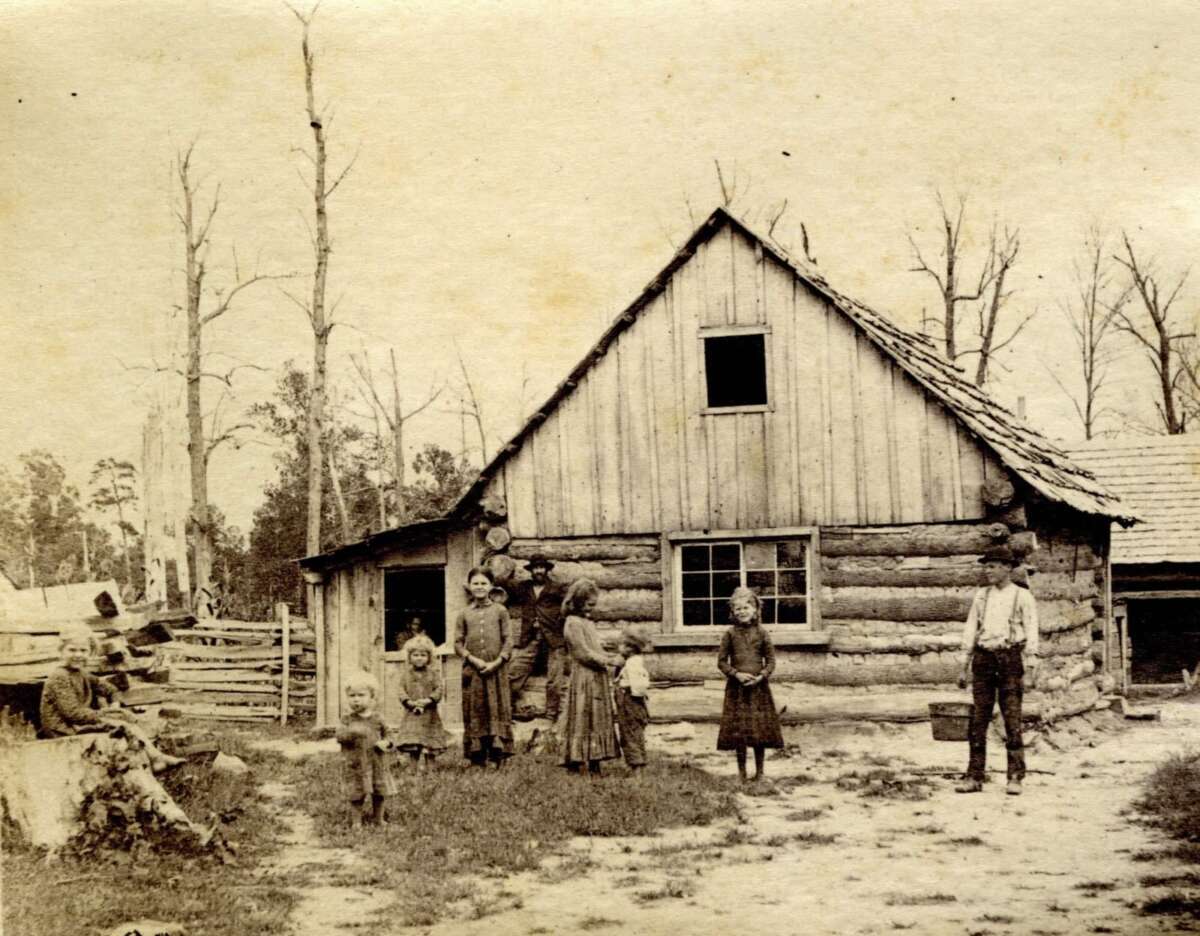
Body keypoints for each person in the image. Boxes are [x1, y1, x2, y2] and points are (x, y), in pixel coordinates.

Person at [39, 624, 184, 773]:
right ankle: (154, 759)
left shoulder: (82, 674)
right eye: (72, 650)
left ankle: (151, 761)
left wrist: (114, 704)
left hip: (77, 723)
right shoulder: (60, 676)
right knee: (123, 726)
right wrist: (104, 715)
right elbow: (71, 713)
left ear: (90, 652)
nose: (78, 655)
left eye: (83, 650)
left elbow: (110, 689)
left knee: (126, 721)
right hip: (62, 728)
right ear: (61, 651)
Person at [956, 545, 1040, 796]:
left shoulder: (1022, 596)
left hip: (1010, 660)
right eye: (985, 566)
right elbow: (971, 629)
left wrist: (1032, 666)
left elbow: (1032, 630)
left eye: (992, 566)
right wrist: (963, 665)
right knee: (978, 721)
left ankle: (1015, 776)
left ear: (1007, 568)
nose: (987, 571)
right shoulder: (982, 595)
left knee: (1012, 719)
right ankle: (974, 776)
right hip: (983, 660)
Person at [717, 587, 784, 783]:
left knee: (759, 730)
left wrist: (761, 676)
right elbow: (721, 662)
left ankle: (760, 772)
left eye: (746, 607)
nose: (742, 612)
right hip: (737, 689)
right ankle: (742, 773)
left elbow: (771, 661)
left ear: (755, 610)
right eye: (737, 609)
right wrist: (736, 674)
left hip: (758, 689)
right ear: (732, 612)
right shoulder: (729, 634)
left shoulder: (762, 634)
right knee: (740, 732)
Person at [560, 578, 623, 777]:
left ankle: (595, 761)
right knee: (582, 716)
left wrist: (607, 657)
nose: (591, 609)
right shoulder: (572, 622)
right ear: (577, 602)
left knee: (597, 717)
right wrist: (608, 661)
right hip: (584, 677)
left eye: (593, 605)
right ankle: (575, 761)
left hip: (597, 676)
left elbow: (595, 647)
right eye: (588, 605)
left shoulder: (587, 622)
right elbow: (582, 653)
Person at [454, 566, 515, 767]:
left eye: (483, 583)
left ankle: (499, 756)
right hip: (474, 672)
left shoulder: (500, 611)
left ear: (491, 586)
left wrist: (497, 662)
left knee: (497, 709)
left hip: (497, 671)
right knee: (476, 710)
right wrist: (473, 659)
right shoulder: (464, 613)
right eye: (475, 583)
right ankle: (477, 757)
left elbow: (508, 640)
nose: (479, 587)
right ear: (469, 587)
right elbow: (457, 643)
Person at [335, 670, 398, 829]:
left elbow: (390, 735)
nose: (356, 700)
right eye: (352, 696)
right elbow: (340, 736)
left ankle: (379, 818)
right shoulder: (347, 719)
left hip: (377, 761)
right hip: (355, 763)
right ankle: (357, 821)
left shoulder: (378, 718)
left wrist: (387, 743)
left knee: (380, 790)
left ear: (372, 697)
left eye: (361, 695)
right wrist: (351, 732)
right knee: (356, 792)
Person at [508, 555, 567, 720]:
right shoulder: (524, 588)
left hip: (554, 639)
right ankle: (508, 709)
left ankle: (551, 714)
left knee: (555, 679)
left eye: (542, 567)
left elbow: (571, 605)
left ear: (547, 569)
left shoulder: (557, 588)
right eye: (535, 568)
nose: (539, 571)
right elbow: (502, 582)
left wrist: (559, 622)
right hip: (531, 638)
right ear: (531, 571)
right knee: (514, 672)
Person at [395, 640, 449, 770]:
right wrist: (408, 702)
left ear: (429, 657)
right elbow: (400, 690)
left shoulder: (433, 673)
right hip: (412, 713)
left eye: (423, 655)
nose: (419, 658)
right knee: (414, 741)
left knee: (430, 741)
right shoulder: (406, 674)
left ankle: (430, 765)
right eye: (416, 655)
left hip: (429, 713)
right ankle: (413, 765)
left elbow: (439, 689)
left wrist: (429, 700)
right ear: (409, 657)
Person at [614, 624, 653, 775]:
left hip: (630, 701)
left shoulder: (633, 663)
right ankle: (634, 765)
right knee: (631, 733)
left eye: (621, 645)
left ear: (630, 647)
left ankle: (637, 768)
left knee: (630, 733)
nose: (619, 647)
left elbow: (638, 685)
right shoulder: (632, 661)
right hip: (629, 699)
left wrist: (630, 693)